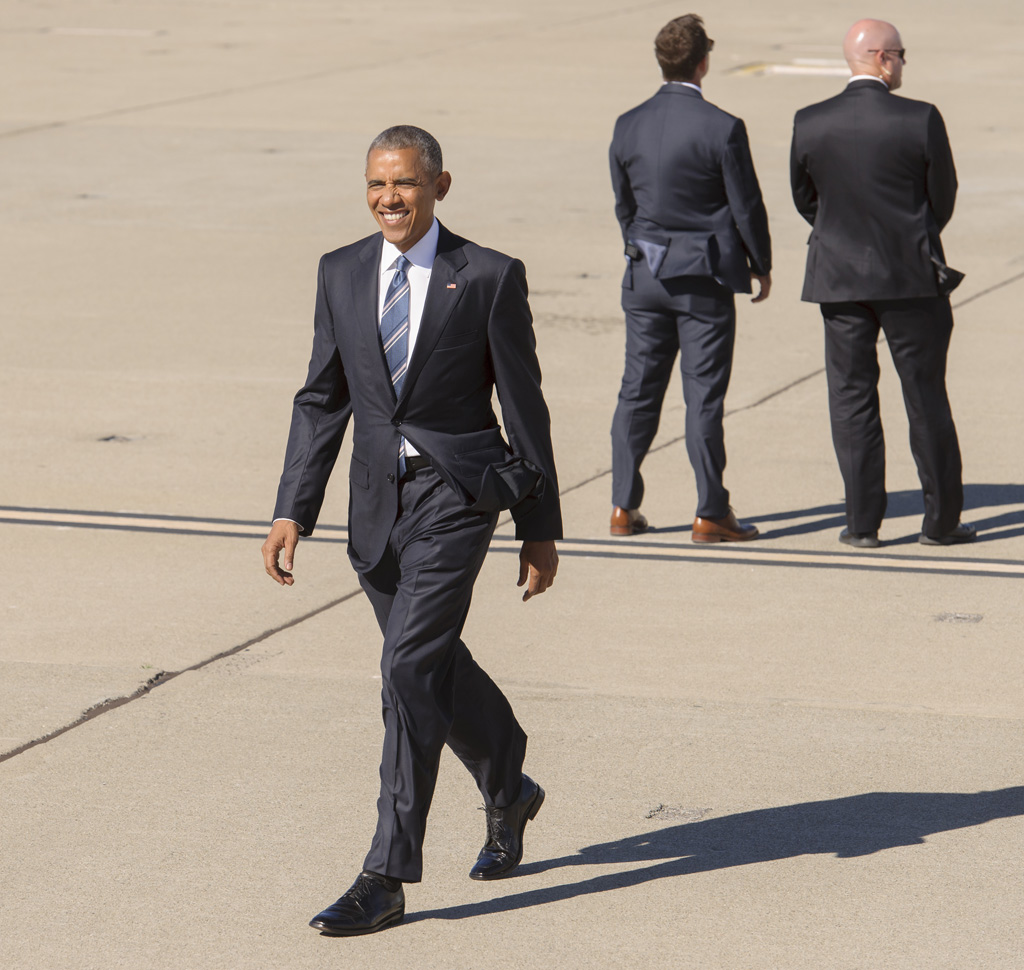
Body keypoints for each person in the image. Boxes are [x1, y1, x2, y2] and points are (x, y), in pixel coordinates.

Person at [261, 125, 562, 936]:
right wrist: (294, 507)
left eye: (404, 184)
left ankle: (387, 874)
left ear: (440, 186)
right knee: (428, 666)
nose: (389, 199)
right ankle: (509, 783)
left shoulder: (489, 277)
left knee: (404, 672)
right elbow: (323, 397)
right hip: (374, 508)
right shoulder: (341, 271)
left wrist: (539, 527)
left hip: (456, 498)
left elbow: (524, 408)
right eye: (375, 185)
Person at [790, 19, 975, 547]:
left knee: (851, 402)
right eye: (901, 54)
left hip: (838, 279)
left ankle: (861, 524)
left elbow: (806, 199)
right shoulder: (919, 118)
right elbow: (943, 196)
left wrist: (841, 236)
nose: (903, 63)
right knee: (925, 398)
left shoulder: (810, 120)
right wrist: (911, 236)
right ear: (881, 57)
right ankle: (940, 524)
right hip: (910, 277)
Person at [608, 14, 772, 542]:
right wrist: (760, 263)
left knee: (637, 391)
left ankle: (622, 506)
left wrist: (640, 247)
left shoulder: (627, 123)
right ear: (703, 61)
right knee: (702, 396)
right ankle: (710, 510)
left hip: (645, 273)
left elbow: (624, 204)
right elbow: (746, 206)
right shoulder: (722, 127)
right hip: (702, 278)